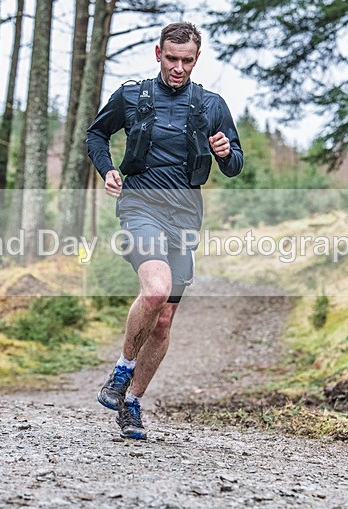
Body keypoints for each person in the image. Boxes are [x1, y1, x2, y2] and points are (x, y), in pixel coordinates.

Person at [86, 22, 244, 439]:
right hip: (139, 206)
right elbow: (96, 135)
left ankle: (132, 404)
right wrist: (108, 170)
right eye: (171, 59)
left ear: (196, 59)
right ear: (158, 54)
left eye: (186, 60)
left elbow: (235, 164)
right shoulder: (132, 96)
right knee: (155, 290)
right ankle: (122, 369)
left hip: (184, 215)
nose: (178, 68)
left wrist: (226, 153)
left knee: (165, 319)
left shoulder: (211, 105)